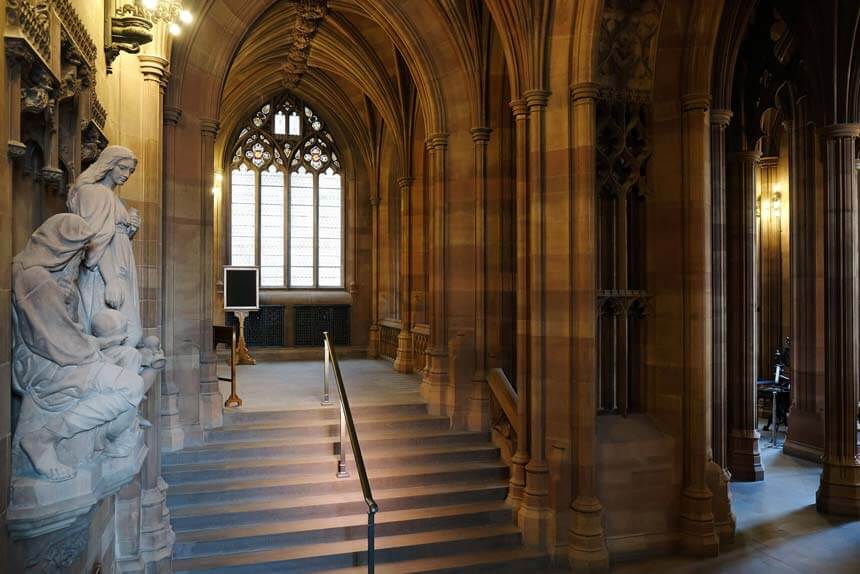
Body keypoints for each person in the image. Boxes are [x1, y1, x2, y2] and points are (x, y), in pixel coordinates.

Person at [12, 214, 145, 482]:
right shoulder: (36, 279)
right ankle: (44, 438)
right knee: (130, 385)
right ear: (62, 249)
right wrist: (99, 347)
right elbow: (64, 343)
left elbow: (64, 334)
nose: (80, 261)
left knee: (127, 357)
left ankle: (109, 434)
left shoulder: (41, 276)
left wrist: (70, 304)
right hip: (46, 368)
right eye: (78, 253)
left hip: (60, 357)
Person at [67, 145, 143, 347]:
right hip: (106, 270)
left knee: (127, 334)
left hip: (120, 265)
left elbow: (114, 234)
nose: (127, 175)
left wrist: (130, 228)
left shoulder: (112, 196)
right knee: (127, 333)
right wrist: (111, 281)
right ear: (109, 165)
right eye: (122, 168)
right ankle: (107, 375)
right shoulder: (95, 193)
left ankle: (116, 372)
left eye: (130, 171)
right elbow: (97, 240)